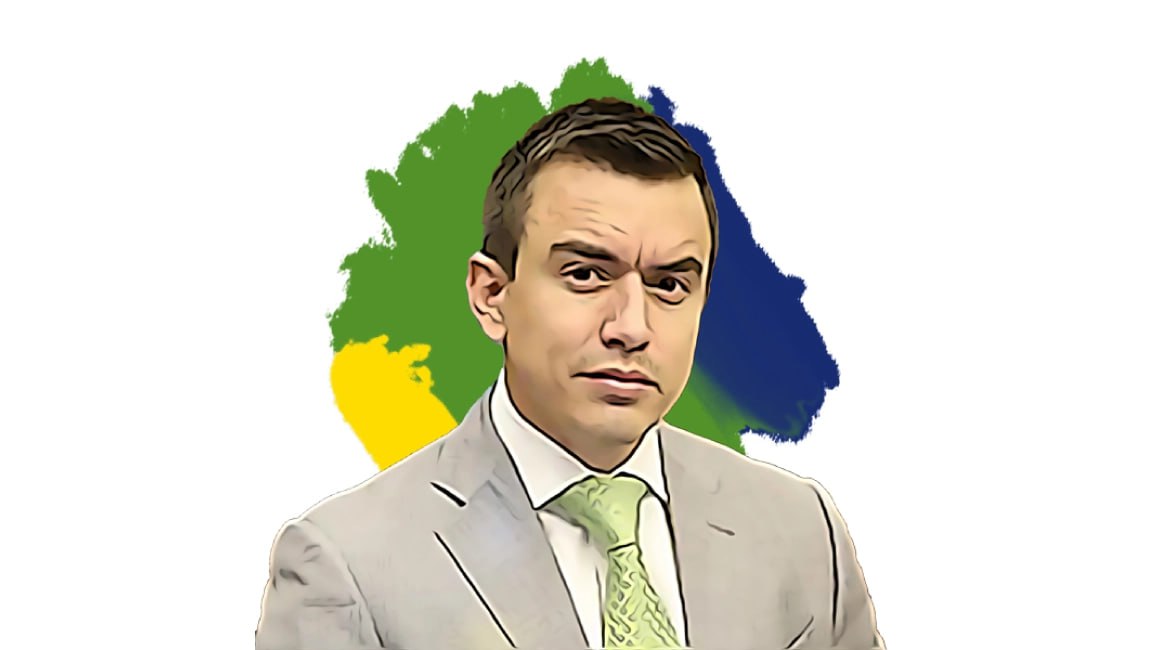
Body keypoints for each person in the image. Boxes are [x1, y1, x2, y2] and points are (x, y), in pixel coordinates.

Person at [255, 98, 885, 649]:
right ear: (491, 295)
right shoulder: (346, 566)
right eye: (585, 274)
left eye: (669, 285)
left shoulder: (803, 530)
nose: (631, 326)